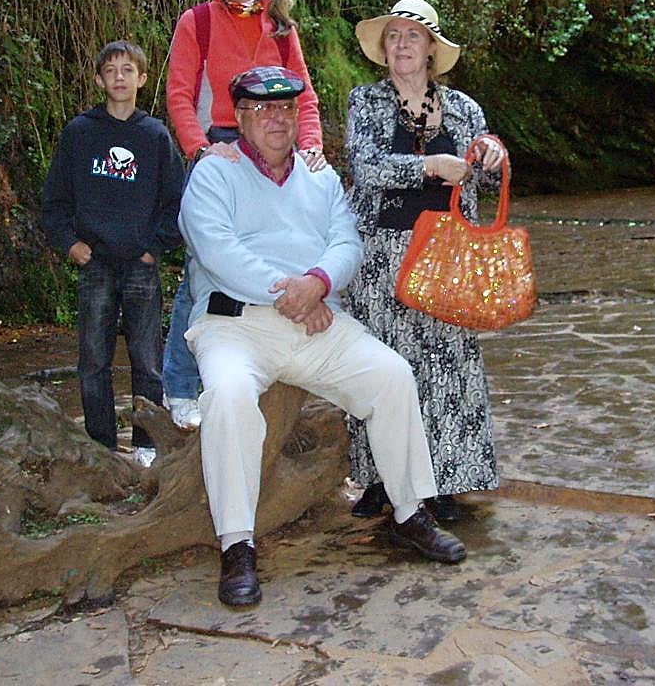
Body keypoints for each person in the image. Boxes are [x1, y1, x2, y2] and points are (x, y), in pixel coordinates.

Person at [179, 66, 467, 608]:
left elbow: (346, 242)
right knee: (229, 396)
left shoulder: (320, 176)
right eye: (262, 109)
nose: (276, 119)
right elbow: (216, 247)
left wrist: (317, 284)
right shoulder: (215, 173)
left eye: (286, 108)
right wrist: (286, 291)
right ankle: (237, 544)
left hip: (316, 318)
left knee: (390, 375)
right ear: (239, 116)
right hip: (237, 324)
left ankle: (409, 511)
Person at [344, 0, 505, 523]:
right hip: (382, 255)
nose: (402, 45)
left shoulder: (466, 110)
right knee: (382, 368)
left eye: (412, 36)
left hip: (446, 251)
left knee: (446, 369)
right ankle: (379, 480)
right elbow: (367, 169)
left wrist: (492, 162)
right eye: (393, 37)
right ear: (383, 50)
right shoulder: (364, 102)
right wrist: (429, 166)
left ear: (432, 48)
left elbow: (481, 181)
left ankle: (443, 483)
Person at [162, 0, 328, 431]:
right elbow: (178, 95)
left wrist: (312, 148)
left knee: (278, 253)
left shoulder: (280, 27)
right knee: (203, 269)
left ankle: (267, 375)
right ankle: (180, 386)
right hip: (225, 147)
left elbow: (303, 97)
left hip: (276, 146)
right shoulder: (199, 22)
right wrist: (201, 148)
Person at [41, 40, 185, 467]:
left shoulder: (155, 137)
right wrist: (70, 244)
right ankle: (100, 446)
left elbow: (177, 202)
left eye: (127, 70)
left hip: (140, 264)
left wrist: (154, 247)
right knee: (93, 360)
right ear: (99, 78)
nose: (119, 78)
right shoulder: (80, 133)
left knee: (146, 361)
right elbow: (55, 201)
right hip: (96, 265)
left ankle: (146, 446)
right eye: (110, 70)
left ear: (142, 78)